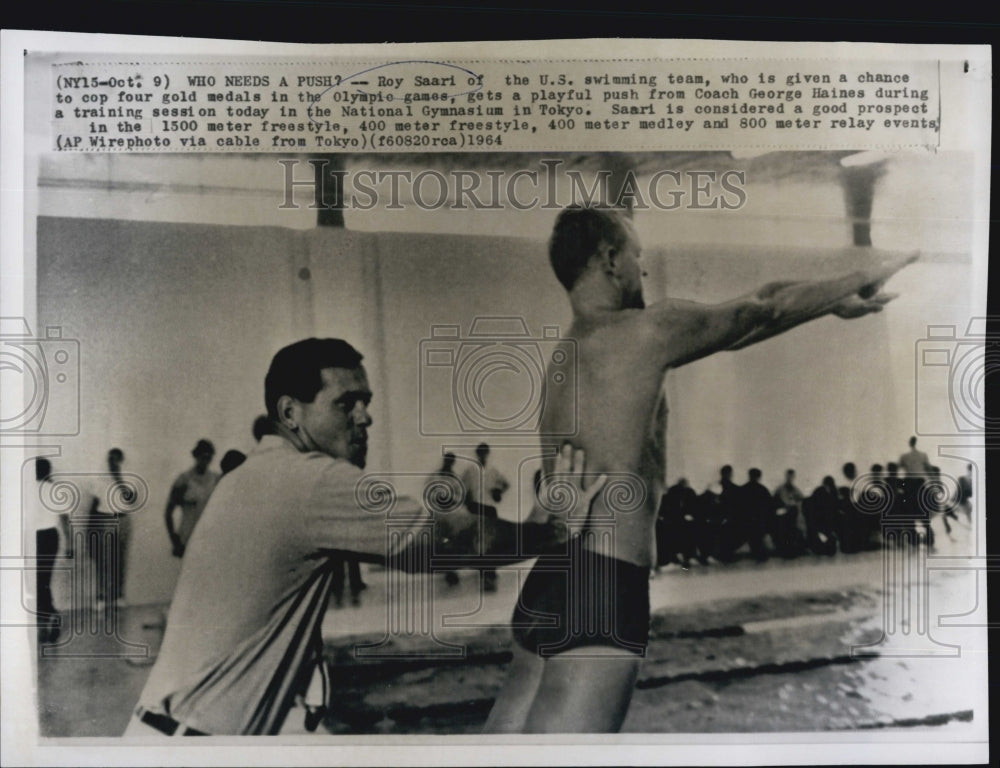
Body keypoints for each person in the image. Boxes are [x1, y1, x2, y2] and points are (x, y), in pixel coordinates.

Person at [485, 204, 915, 733]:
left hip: (551, 578)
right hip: (606, 580)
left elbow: (740, 327)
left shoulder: (565, 357)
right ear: (610, 259)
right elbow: (759, 308)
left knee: (502, 746)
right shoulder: (643, 333)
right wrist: (860, 276)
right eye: (637, 256)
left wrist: (827, 304)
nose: (642, 271)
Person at [126, 338, 592, 736]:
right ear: (290, 412)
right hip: (195, 745)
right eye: (345, 403)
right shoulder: (309, 480)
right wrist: (549, 530)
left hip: (175, 732)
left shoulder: (255, 474)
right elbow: (450, 539)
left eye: (366, 401)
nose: (365, 417)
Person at [27, 458, 70, 643]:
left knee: (35, 581)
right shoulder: (54, 489)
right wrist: (70, 544)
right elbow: (65, 520)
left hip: (31, 538)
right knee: (43, 579)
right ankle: (47, 617)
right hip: (49, 537)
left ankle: (48, 617)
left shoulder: (25, 489)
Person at [459, 443, 510, 592]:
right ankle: (484, 572)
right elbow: (461, 489)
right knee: (479, 541)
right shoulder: (470, 471)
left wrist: (498, 492)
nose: (483, 454)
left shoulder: (493, 471)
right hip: (476, 508)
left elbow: (506, 484)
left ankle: (490, 573)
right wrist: (467, 503)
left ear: (488, 453)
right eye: (480, 452)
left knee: (492, 541)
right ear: (477, 453)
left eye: (485, 452)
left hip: (489, 509)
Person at [86, 448, 130, 607]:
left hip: (123, 518)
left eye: (116, 460)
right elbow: (94, 505)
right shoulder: (100, 480)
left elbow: (130, 498)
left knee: (120, 558)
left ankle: (118, 595)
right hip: (105, 519)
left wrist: (119, 480)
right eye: (111, 460)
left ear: (121, 461)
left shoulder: (129, 478)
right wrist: (91, 529)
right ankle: (101, 596)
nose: (113, 463)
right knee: (104, 559)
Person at [164, 439, 219, 559]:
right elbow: (168, 512)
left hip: (209, 537)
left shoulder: (215, 479)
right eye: (203, 456)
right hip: (188, 537)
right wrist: (175, 540)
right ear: (196, 456)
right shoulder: (183, 480)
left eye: (209, 457)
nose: (205, 461)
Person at [426, 452, 466, 586]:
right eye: (447, 460)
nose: (448, 463)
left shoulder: (455, 479)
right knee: (441, 542)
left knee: (452, 542)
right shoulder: (435, 477)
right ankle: (445, 568)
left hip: (451, 515)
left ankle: (451, 570)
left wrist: (450, 500)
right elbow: (428, 493)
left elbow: (460, 497)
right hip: (438, 514)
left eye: (451, 461)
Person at [740, 468, 774, 562]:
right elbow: (770, 507)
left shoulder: (743, 489)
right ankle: (760, 553)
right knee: (758, 540)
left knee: (754, 540)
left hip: (746, 522)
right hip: (760, 522)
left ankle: (758, 553)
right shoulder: (763, 490)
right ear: (759, 477)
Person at [772, 468, 806, 558]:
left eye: (792, 477)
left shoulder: (795, 489)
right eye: (788, 476)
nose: (790, 478)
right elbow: (776, 503)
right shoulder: (780, 489)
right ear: (786, 477)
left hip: (792, 515)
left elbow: (801, 499)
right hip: (782, 515)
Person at [804, 476, 839, 556]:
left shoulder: (825, 493)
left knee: (829, 549)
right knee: (828, 549)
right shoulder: (822, 494)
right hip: (818, 526)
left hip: (820, 526)